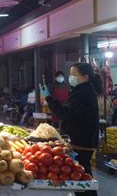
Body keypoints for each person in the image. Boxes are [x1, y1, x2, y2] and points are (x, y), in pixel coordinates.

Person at [42, 63, 99, 196]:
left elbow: (65, 114)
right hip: (83, 140)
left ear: (85, 77)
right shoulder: (82, 91)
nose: (70, 77)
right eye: (70, 74)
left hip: (81, 142)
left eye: (73, 75)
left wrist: (49, 99)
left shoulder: (83, 93)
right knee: (82, 175)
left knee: (82, 177)